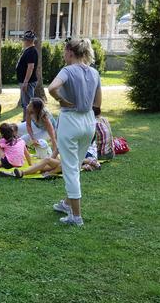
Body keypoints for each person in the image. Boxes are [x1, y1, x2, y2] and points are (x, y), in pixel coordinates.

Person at [47, 37, 102, 227]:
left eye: (64, 51)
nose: (63, 54)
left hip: (71, 120)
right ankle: (66, 203)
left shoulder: (67, 70)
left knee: (70, 168)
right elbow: (98, 103)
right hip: (89, 121)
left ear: (70, 52)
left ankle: (76, 216)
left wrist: (61, 100)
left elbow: (52, 88)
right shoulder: (94, 73)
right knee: (76, 164)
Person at [16, 30, 39, 121]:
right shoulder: (28, 51)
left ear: (27, 41)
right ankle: (25, 120)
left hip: (28, 82)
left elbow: (31, 67)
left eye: (24, 40)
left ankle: (28, 121)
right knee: (25, 102)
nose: (23, 42)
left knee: (28, 103)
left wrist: (25, 82)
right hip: (25, 81)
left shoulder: (31, 51)